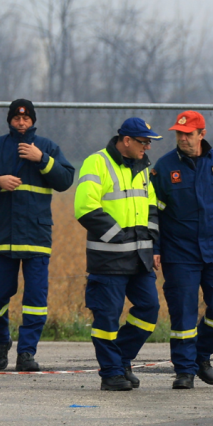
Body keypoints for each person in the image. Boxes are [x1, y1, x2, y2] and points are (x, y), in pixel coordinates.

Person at [0, 99, 74, 372]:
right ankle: (1, 343)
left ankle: (26, 353)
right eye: (17, 118)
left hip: (36, 236)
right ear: (10, 121)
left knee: (35, 301)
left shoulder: (47, 147)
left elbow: (65, 180)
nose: (22, 122)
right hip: (2, 236)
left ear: (33, 121)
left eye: (26, 118)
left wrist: (42, 160)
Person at [152, 110, 213, 389]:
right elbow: (152, 213)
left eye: (188, 134)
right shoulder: (164, 167)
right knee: (183, 312)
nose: (182, 138)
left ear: (201, 134)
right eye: (179, 134)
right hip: (179, 252)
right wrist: (155, 247)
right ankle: (184, 370)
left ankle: (201, 355)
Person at [74, 118, 163, 391]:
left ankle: (121, 359)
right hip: (109, 259)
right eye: (143, 142)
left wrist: (151, 243)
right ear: (126, 140)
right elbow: (85, 207)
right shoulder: (97, 163)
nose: (148, 147)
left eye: (149, 142)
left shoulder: (143, 167)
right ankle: (111, 373)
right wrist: (120, 237)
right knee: (107, 318)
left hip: (140, 258)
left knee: (149, 310)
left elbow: (151, 207)